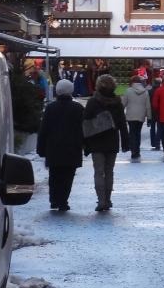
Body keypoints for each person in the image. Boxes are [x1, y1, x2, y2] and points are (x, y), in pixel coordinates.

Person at [83, 74, 130, 211]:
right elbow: (122, 123)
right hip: (112, 141)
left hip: (96, 141)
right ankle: (108, 199)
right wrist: (126, 142)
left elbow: (85, 122)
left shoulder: (93, 101)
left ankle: (101, 200)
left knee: (98, 172)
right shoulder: (117, 102)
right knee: (109, 171)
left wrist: (85, 143)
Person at [36, 79, 85, 211]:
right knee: (68, 176)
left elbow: (44, 129)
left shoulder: (50, 108)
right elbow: (83, 129)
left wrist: (40, 148)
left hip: (53, 148)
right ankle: (63, 200)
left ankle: (54, 199)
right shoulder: (78, 108)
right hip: (72, 148)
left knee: (54, 175)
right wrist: (85, 145)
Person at [122, 76, 152, 159]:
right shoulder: (145, 92)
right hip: (141, 116)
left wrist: (121, 113)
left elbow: (123, 104)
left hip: (131, 115)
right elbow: (148, 106)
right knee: (137, 133)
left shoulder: (128, 91)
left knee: (132, 133)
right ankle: (137, 150)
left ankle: (133, 151)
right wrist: (149, 117)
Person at [148, 77, 163, 150]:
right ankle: (157, 143)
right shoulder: (160, 91)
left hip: (151, 112)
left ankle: (153, 142)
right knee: (159, 128)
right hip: (159, 112)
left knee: (152, 128)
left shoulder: (149, 91)